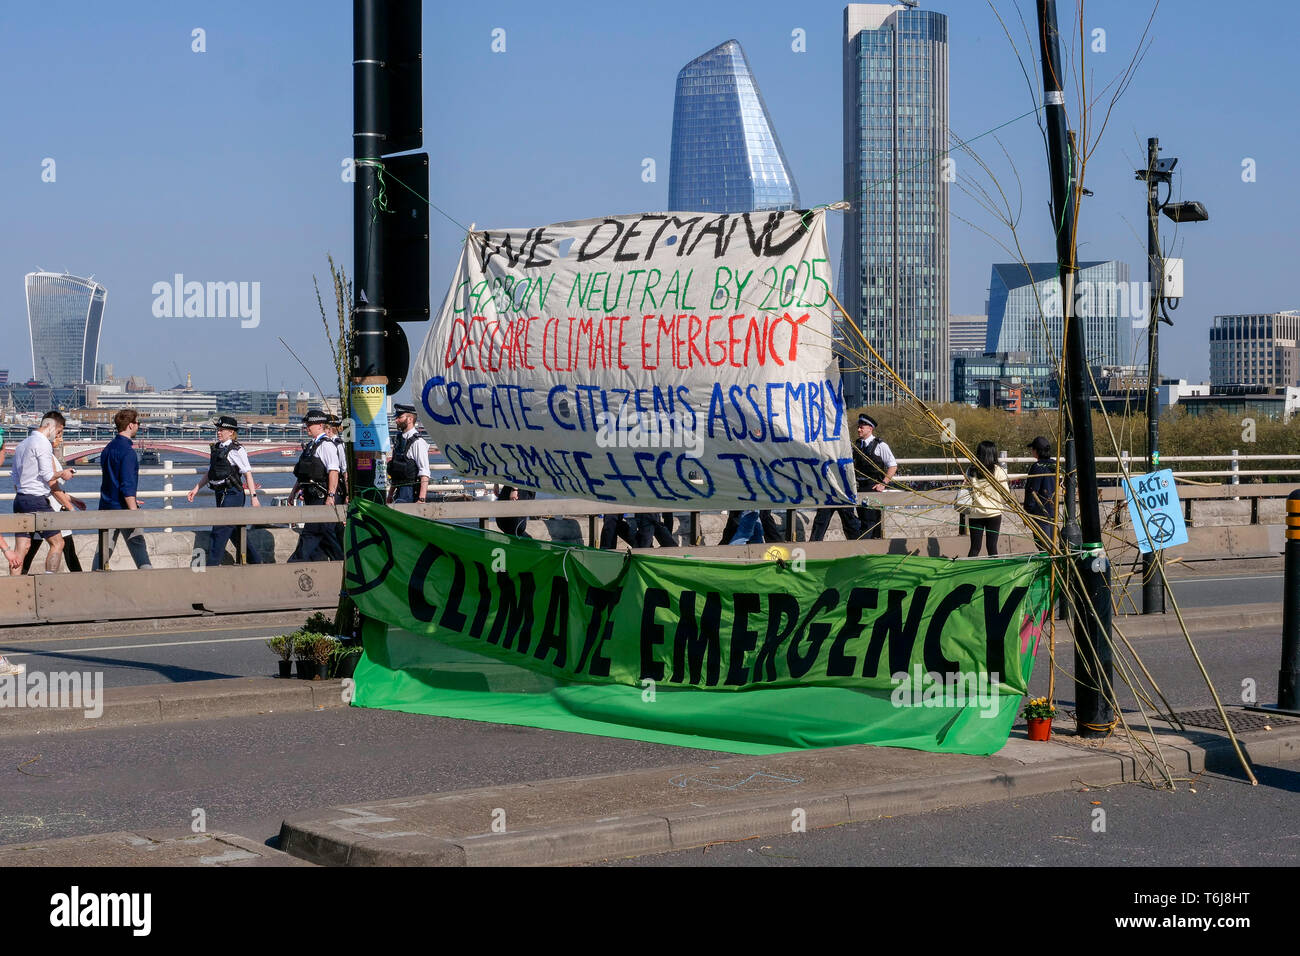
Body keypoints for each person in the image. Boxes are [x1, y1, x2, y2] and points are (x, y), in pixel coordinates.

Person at [10, 412, 85, 575]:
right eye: (59, 432)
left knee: (22, 548)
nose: (58, 436)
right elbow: (47, 476)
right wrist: (64, 473)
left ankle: (13, 589)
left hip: (20, 499)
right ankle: (48, 581)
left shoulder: (22, 444)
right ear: (50, 426)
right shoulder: (43, 443)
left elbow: (15, 476)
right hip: (37, 501)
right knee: (58, 543)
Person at [187, 415, 263, 567]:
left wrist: (253, 497)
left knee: (220, 530)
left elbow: (247, 473)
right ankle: (256, 561)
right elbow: (211, 473)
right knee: (234, 531)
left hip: (233, 494)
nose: (218, 432)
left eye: (222, 430)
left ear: (231, 432)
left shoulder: (237, 450)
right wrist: (196, 489)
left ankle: (211, 567)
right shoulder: (216, 448)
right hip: (220, 494)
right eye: (218, 429)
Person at [89, 408, 153, 571]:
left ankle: (91, 583)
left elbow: (112, 480)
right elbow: (127, 485)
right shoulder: (128, 453)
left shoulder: (108, 449)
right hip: (124, 509)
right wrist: (133, 510)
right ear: (131, 425)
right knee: (139, 548)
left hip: (106, 507)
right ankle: (150, 581)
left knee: (103, 552)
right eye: (138, 423)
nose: (139, 426)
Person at [288, 409, 343, 561]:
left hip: (321, 497)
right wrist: (293, 492)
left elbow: (333, 471)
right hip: (310, 497)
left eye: (310, 424)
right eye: (306, 424)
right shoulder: (311, 446)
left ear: (320, 425)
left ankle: (293, 566)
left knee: (311, 534)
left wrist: (331, 496)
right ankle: (341, 566)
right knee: (326, 537)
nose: (307, 427)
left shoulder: (327, 446)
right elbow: (303, 473)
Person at [962, 440, 1013, 557]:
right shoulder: (998, 471)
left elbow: (965, 490)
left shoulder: (971, 470)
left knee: (975, 548)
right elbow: (1006, 494)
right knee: (992, 547)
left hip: (976, 514)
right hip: (994, 513)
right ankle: (995, 572)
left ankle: (967, 571)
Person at [387, 404, 430, 505]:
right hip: (399, 492)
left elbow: (424, 472)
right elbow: (396, 470)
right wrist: (390, 495)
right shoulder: (399, 440)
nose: (396, 420)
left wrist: (421, 499)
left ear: (410, 419)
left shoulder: (418, 442)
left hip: (411, 492)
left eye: (400, 417)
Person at [1024, 435, 1058, 549]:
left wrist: (1027, 511)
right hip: (1053, 509)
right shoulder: (1054, 465)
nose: (1031, 451)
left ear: (1037, 451)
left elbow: (1032, 491)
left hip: (1040, 512)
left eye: (1033, 449)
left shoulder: (1037, 467)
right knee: (1052, 545)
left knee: (1043, 547)